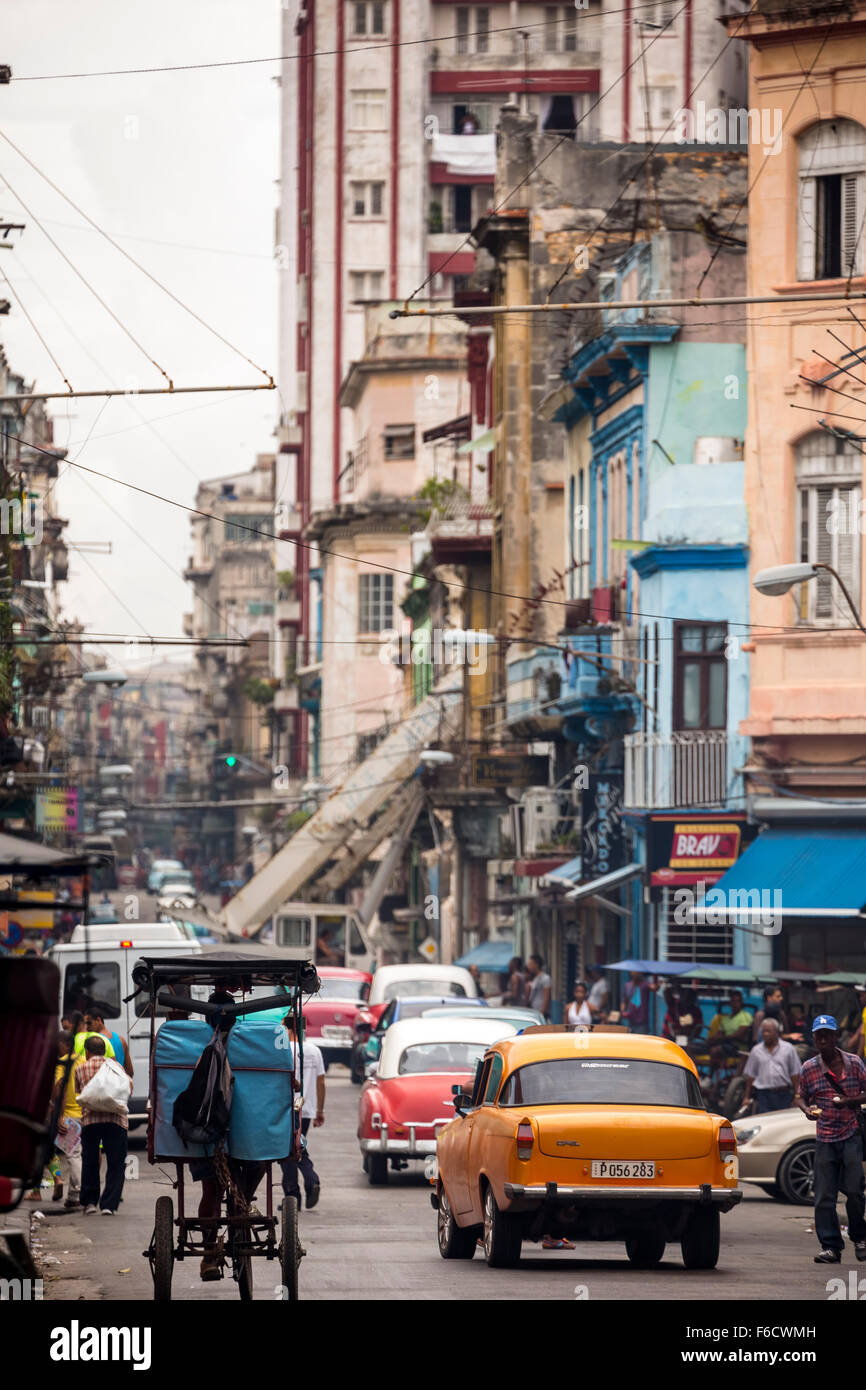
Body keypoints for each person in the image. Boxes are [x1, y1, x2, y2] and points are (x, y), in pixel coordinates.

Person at [797, 1014, 866, 1265]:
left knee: (855, 1191)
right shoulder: (809, 1068)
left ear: (836, 1037)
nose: (823, 1039)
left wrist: (849, 1100)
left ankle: (860, 1237)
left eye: (828, 1034)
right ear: (814, 1038)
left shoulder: (855, 1063)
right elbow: (800, 1096)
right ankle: (830, 1247)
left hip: (850, 1134)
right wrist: (806, 1110)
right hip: (825, 1137)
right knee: (824, 1196)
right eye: (819, 1035)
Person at [74, 1035, 132, 1215]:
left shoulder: (80, 1068)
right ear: (104, 1050)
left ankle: (90, 1203)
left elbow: (80, 1094)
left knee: (90, 1160)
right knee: (116, 1163)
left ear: (87, 1051)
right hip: (115, 1120)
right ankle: (109, 1205)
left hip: (91, 1121)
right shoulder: (116, 1067)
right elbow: (128, 1087)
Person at [279, 1014, 325, 1212]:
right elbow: (321, 1081)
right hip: (306, 1109)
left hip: (286, 1107)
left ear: (288, 1029)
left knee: (288, 1150)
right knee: (299, 1144)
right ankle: (309, 1181)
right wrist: (319, 1110)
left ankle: (293, 1193)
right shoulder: (314, 1051)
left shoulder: (282, 1050)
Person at [742, 1019, 802, 1113]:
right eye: (763, 1031)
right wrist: (746, 1097)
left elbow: (795, 1075)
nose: (765, 1034)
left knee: (782, 1123)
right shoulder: (756, 1051)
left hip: (783, 1095)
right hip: (763, 1096)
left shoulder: (788, 1049)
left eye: (768, 1031)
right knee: (764, 1124)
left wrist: (797, 1096)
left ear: (777, 1032)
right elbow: (751, 1076)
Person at [52, 1030, 83, 1209]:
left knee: (73, 1155)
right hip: (85, 1113)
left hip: (70, 1115)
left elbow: (60, 1089)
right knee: (82, 1155)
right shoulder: (82, 1059)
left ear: (64, 1044)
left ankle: (77, 1193)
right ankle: (75, 1194)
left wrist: (60, 1116)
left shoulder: (62, 1063)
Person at [84, 1007, 134, 1080]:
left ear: (98, 1020)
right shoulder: (121, 1039)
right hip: (121, 1085)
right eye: (85, 1024)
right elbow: (130, 1071)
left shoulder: (94, 1042)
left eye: (89, 1023)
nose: (87, 1027)